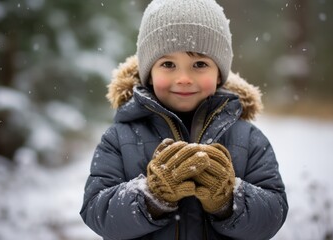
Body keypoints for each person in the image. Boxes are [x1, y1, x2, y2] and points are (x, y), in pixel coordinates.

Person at [80, 0, 288, 239]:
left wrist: (228, 200)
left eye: (200, 64)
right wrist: (150, 197)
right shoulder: (120, 137)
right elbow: (96, 211)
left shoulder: (248, 138)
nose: (184, 78)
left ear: (219, 73)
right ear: (149, 73)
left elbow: (274, 212)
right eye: (168, 64)